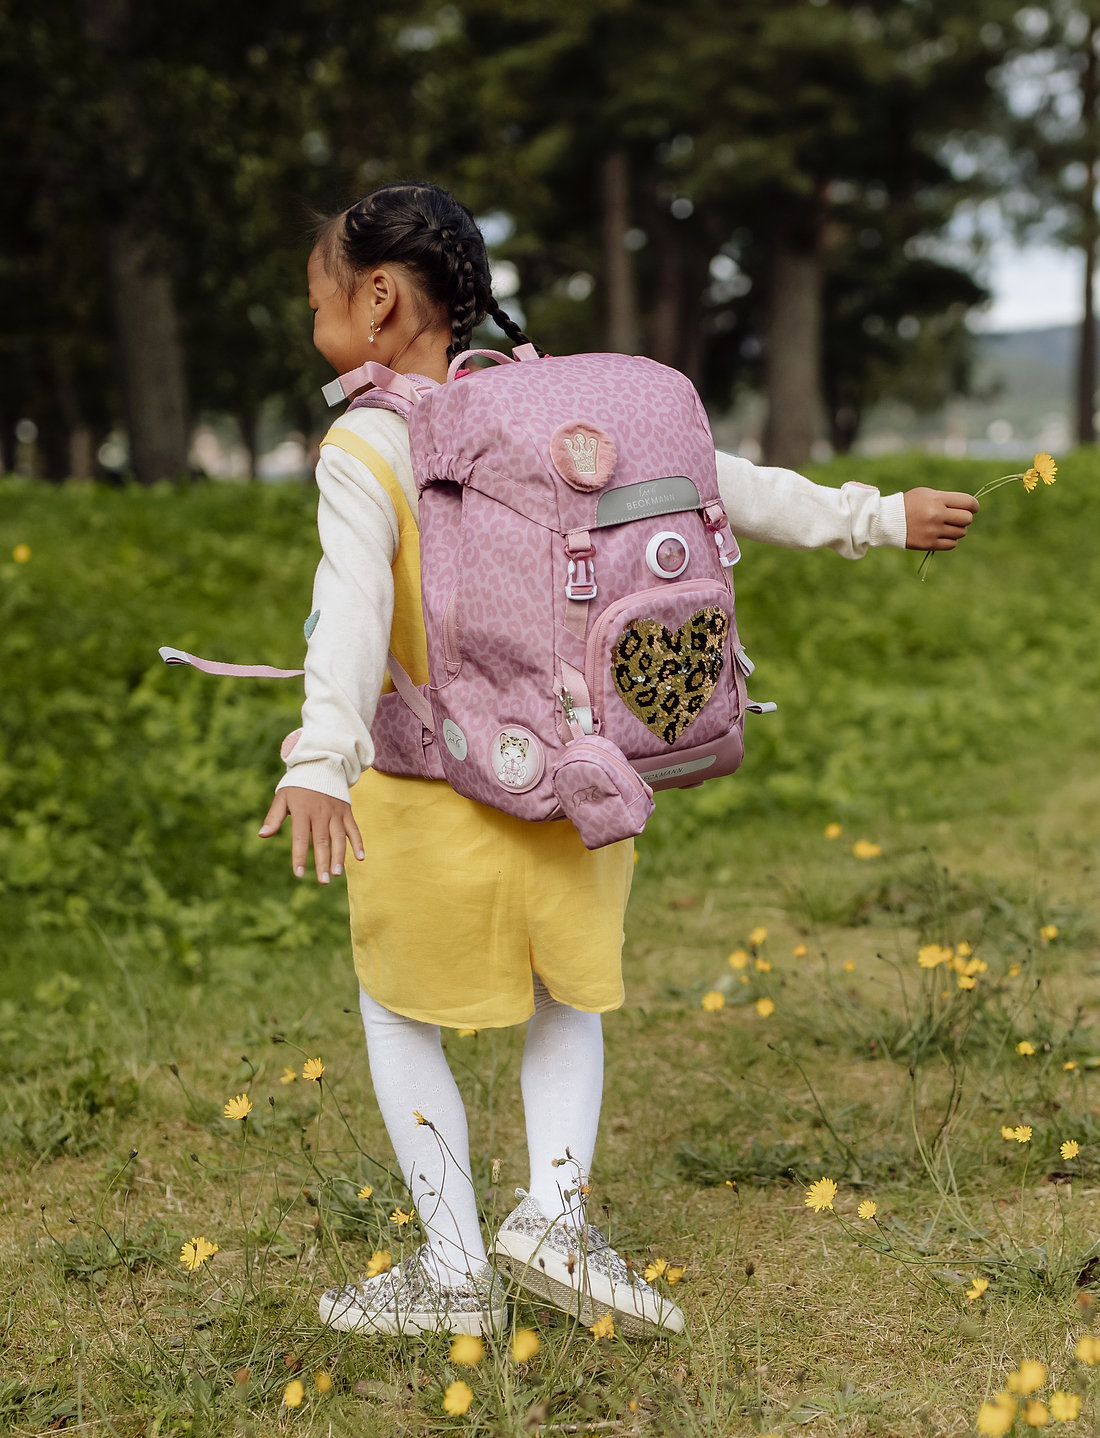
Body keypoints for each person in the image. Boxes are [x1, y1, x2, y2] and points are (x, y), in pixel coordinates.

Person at [259, 180, 978, 1339]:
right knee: (566, 998)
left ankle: (452, 1269)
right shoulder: (556, 410)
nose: (312, 317)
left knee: (398, 1011)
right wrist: (872, 516)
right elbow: (712, 485)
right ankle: (552, 1215)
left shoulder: (366, 440)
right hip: (578, 777)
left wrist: (319, 755)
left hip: (428, 785)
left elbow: (346, 611)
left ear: (379, 299)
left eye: (316, 295)